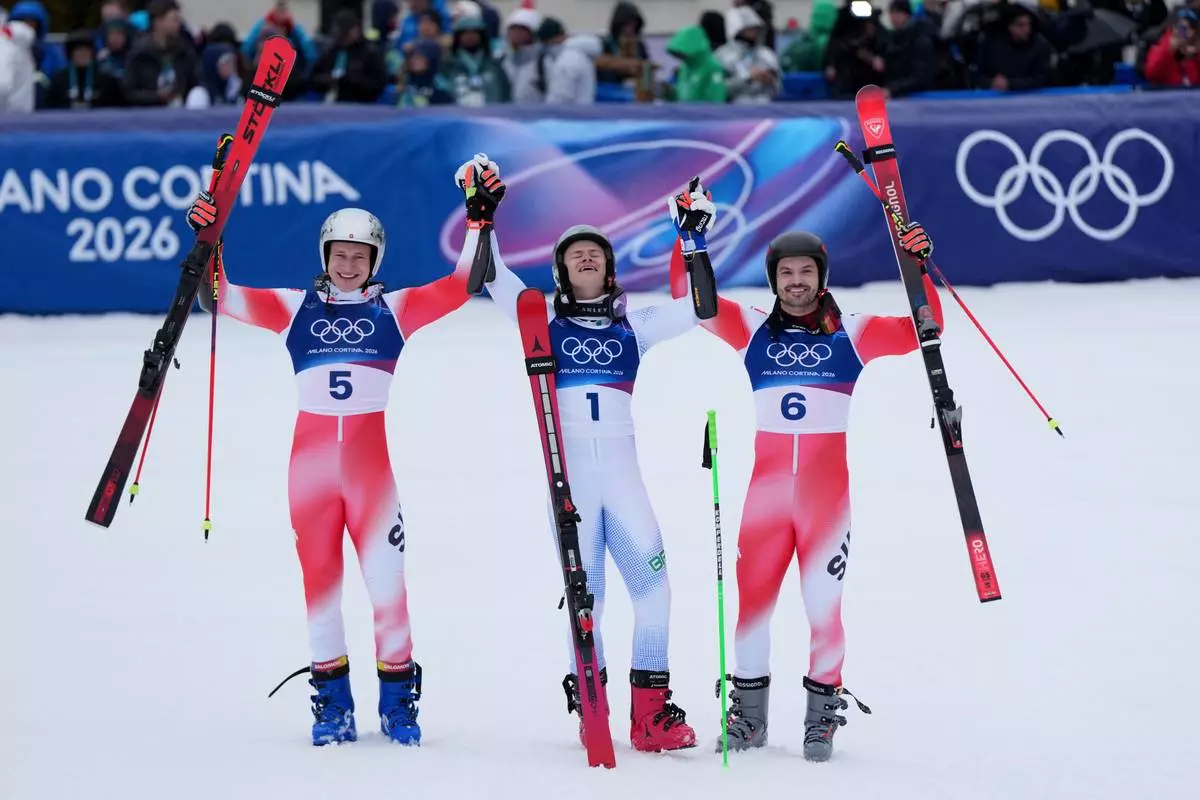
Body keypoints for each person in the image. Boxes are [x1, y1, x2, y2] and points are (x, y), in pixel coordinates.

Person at [183, 170, 492, 746]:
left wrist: (478, 218)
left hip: (372, 477)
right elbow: (216, 294)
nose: (348, 265)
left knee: (387, 589)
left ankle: (399, 707)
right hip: (311, 476)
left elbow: (463, 283)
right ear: (324, 255)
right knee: (320, 589)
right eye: (339, 255)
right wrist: (209, 238)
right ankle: (332, 707)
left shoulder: (395, 310)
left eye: (359, 255)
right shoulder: (294, 308)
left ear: (375, 260)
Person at [461, 154, 714, 752]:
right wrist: (482, 219)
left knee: (656, 592)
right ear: (559, 269)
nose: (586, 255)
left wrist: (692, 241)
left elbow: (701, 310)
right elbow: (485, 279)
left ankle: (650, 716)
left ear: (609, 267)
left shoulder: (636, 324)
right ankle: (591, 698)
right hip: (570, 482)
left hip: (623, 480)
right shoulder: (539, 316)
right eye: (574, 252)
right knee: (586, 599)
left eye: (595, 250)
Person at [668, 216, 941, 761]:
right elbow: (688, 296)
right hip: (765, 502)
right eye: (786, 272)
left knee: (823, 608)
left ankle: (821, 721)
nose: (796, 280)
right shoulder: (750, 329)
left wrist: (918, 265)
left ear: (821, 277)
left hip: (824, 502)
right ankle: (749, 718)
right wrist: (689, 239)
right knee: (752, 608)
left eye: (806, 271)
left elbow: (920, 329)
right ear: (774, 280)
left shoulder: (854, 332)